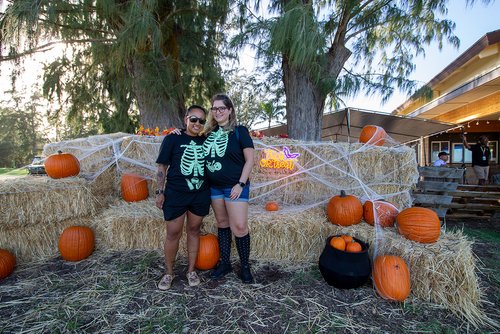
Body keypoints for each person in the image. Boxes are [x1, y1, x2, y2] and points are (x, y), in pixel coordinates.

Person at [155, 105, 211, 290]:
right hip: (176, 193)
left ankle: (191, 271)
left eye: (201, 121)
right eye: (193, 119)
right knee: (173, 233)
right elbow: (162, 166)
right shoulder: (172, 138)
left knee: (194, 230)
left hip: (200, 193)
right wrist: (159, 191)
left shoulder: (206, 140)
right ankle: (169, 273)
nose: (197, 123)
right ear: (186, 118)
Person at [204, 93, 255, 283]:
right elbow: (190, 134)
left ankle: (245, 266)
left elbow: (250, 160)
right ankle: (224, 263)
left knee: (240, 227)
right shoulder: (209, 133)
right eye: (214, 108)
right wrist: (178, 131)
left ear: (230, 110)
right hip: (214, 188)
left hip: (235, 187)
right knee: (223, 224)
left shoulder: (240, 131)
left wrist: (240, 184)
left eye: (222, 108)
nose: (218, 112)